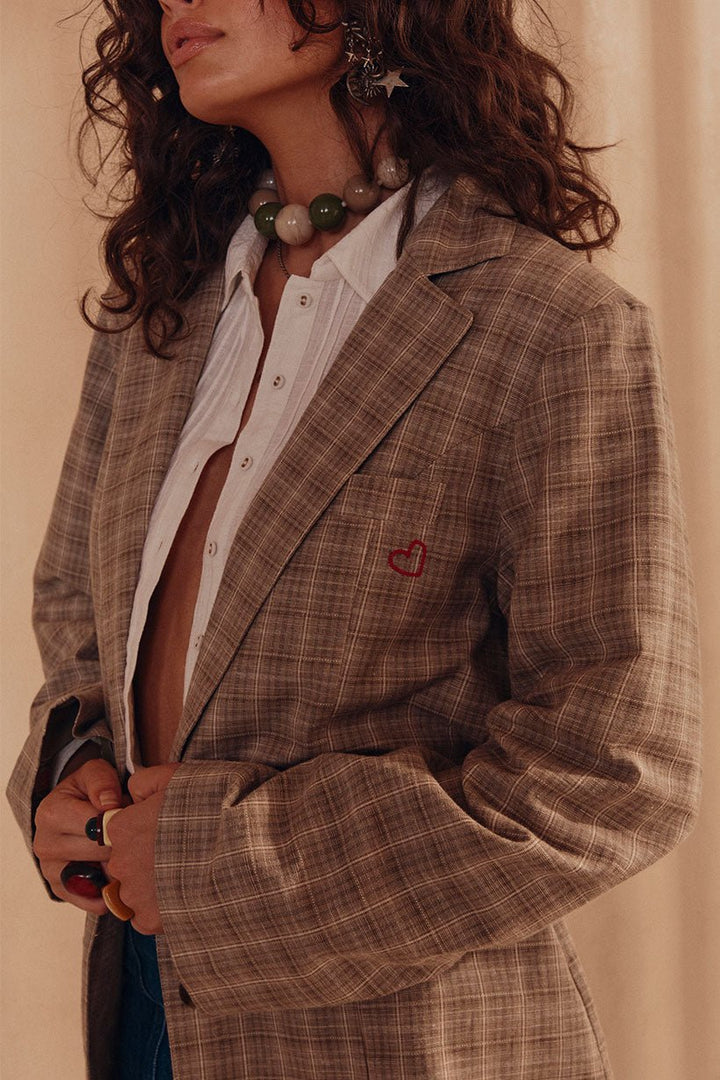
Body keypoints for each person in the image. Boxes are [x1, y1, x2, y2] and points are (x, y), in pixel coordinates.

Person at [6, 0, 702, 1077]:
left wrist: (215, 864)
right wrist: (70, 780)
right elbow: (76, 618)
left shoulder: (548, 325)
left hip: (404, 1038)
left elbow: (611, 770)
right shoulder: (160, 316)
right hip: (146, 1009)